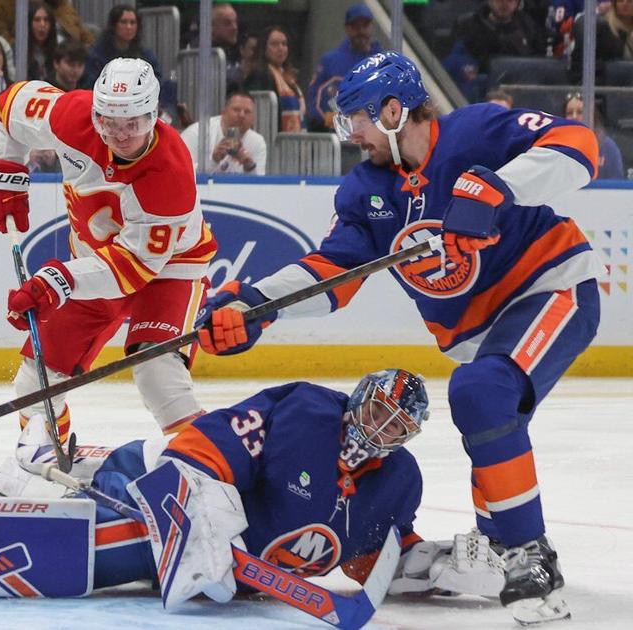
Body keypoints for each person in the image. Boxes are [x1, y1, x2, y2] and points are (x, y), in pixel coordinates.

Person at [197, 51, 600, 625]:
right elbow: (333, 273)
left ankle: (528, 552)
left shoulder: (475, 131)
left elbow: (579, 145)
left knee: (481, 393)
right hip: (478, 335)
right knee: (486, 405)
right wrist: (257, 305)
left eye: (357, 119)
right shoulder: (365, 190)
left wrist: (496, 188)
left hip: (551, 286)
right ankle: (498, 540)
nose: (351, 134)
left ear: (393, 110)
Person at [0, 369, 508, 609]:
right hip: (159, 481)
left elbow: (373, 557)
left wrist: (432, 565)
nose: (379, 429)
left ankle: (49, 466)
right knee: (85, 544)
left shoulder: (398, 482)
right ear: (357, 399)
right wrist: (208, 520)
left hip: (211, 550)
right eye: (376, 410)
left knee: (100, 519)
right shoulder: (304, 413)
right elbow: (197, 452)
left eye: (396, 426)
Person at [0, 58, 218, 488]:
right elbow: (9, 105)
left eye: (133, 123)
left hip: (170, 269)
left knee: (157, 374)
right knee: (35, 379)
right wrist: (8, 168)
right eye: (109, 122)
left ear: (154, 115)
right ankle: (48, 464)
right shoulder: (72, 118)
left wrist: (58, 282)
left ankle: (211, 471)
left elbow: (134, 268)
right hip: (93, 262)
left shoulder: (169, 171)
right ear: (96, 113)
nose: (120, 135)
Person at [306, 4, 382, 133]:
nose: (361, 31)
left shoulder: (384, 63)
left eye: (365, 25)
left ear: (371, 27)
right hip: (337, 138)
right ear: (347, 28)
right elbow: (313, 101)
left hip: (375, 138)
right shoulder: (330, 61)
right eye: (355, 26)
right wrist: (331, 121)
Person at [180, 92, 265, 175]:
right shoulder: (197, 133)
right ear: (223, 112)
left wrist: (249, 166)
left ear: (253, 118)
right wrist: (214, 160)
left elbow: (260, 182)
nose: (241, 115)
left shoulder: (257, 141)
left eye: (247, 112)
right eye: (236, 110)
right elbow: (183, 174)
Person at [452, 0, 546, 75]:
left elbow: (539, 60)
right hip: (483, 83)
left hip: (522, 81)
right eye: (499, 0)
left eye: (510, 0)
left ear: (517, 2)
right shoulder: (469, 25)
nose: (504, 4)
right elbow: (459, 61)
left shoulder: (527, 25)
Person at [82, 6, 162, 89]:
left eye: (133, 22)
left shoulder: (145, 54)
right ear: (113, 25)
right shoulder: (97, 54)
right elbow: (92, 82)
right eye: (123, 22)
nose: (129, 27)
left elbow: (157, 79)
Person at [245, 25, 305, 133]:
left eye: (284, 44)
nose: (280, 48)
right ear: (264, 48)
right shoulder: (260, 74)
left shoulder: (289, 77)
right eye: (274, 44)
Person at [564, 93, 625, 179]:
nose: (574, 117)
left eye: (580, 112)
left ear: (592, 116)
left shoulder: (608, 147)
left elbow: (616, 182)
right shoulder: (556, 147)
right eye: (569, 113)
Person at [187, 2, 243, 94]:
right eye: (227, 23)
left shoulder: (231, 51)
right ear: (210, 27)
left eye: (235, 22)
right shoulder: (198, 52)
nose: (235, 27)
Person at [569, 0, 633, 82]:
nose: (625, 3)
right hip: (609, 81)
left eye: (630, 1)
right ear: (614, 4)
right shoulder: (604, 27)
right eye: (620, 0)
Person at [0, 0, 94, 47]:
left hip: (72, 56)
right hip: (30, 57)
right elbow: (0, 38)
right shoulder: (4, 7)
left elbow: (83, 33)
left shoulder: (61, 5)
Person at [24, 3, 57, 82]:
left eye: (46, 20)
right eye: (37, 20)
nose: (42, 24)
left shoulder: (57, 50)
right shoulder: (19, 50)